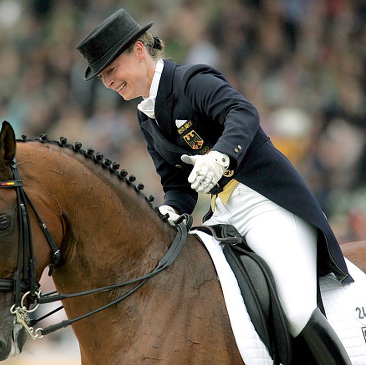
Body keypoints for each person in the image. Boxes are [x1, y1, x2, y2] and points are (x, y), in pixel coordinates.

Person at [76, 8, 352, 364]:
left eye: (111, 70)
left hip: (267, 203)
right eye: (102, 77)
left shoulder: (191, 81)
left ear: (139, 51)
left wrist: (222, 155)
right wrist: (172, 209)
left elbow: (243, 113)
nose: (108, 83)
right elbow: (176, 182)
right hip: (224, 215)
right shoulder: (146, 114)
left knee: (297, 311)